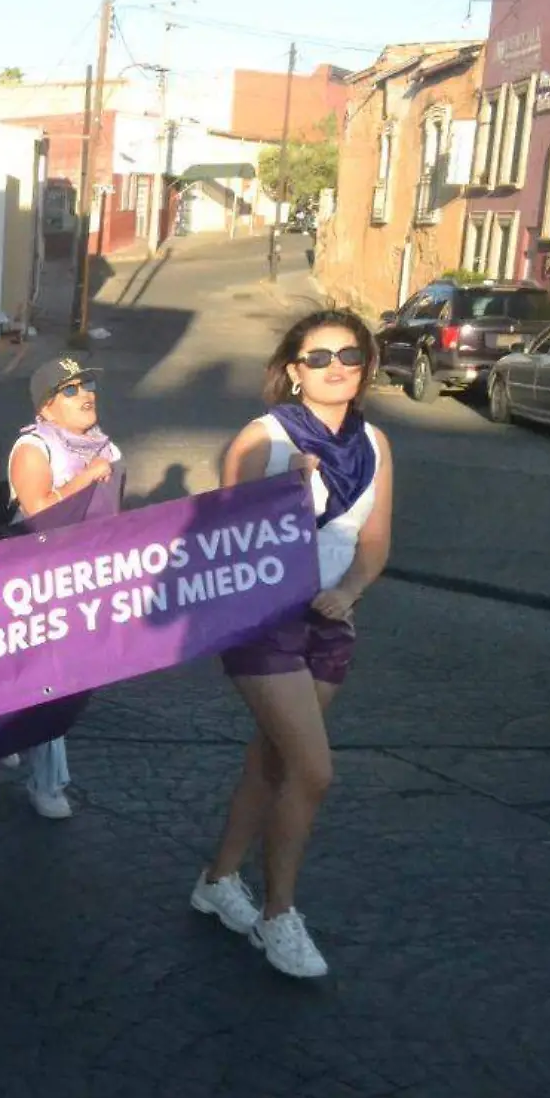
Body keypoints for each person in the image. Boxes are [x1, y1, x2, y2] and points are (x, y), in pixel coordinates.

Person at [193, 309, 393, 980]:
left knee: (275, 761)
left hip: (329, 620)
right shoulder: (263, 439)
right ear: (291, 370)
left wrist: (351, 592)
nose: (336, 367)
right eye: (319, 357)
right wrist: (289, 485)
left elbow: (372, 543)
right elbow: (227, 540)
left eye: (349, 355)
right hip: (262, 619)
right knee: (314, 770)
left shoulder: (376, 444)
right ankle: (279, 916)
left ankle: (219, 879)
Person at [5, 357, 123, 820]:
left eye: (87, 383)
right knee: (53, 680)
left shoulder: (104, 446)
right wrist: (85, 478)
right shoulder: (34, 448)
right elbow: (36, 510)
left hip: (88, 578)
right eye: (69, 389)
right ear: (47, 407)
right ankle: (48, 783)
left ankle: (5, 731)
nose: (85, 393)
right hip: (36, 583)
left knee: (49, 681)